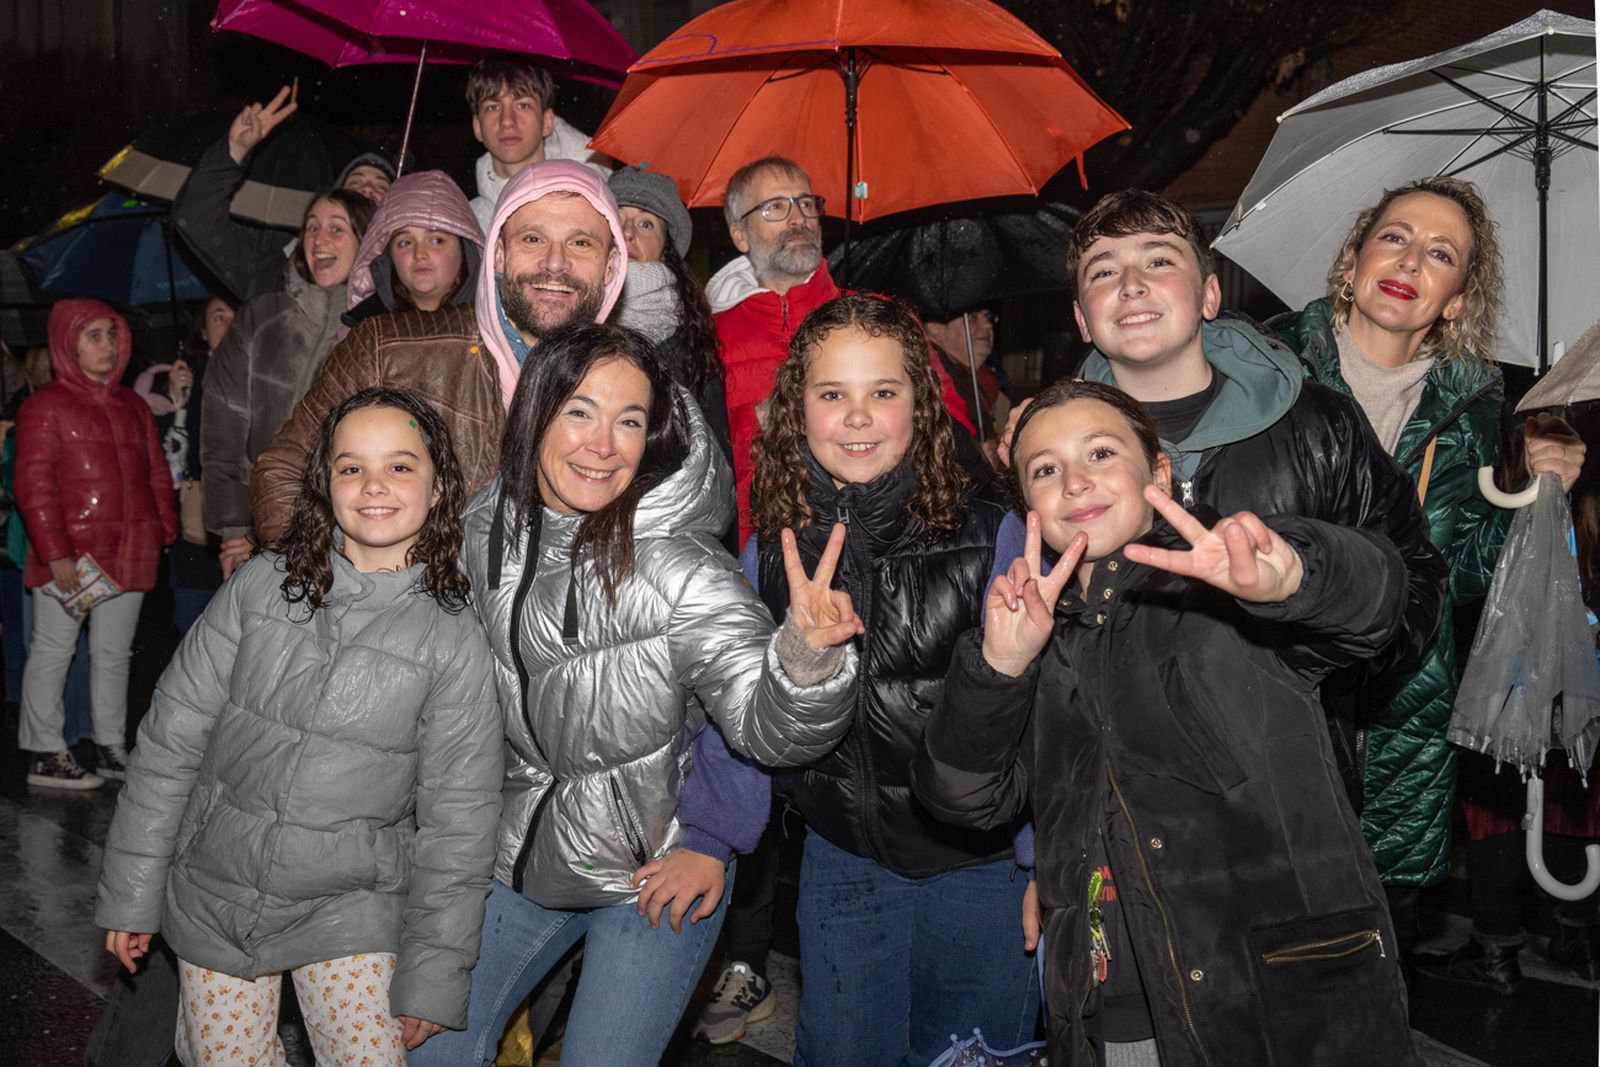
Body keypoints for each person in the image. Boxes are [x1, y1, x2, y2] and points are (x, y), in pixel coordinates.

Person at [914, 379, 1421, 1065]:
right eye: (1045, 469)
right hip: (1114, 1015)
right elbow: (960, 797)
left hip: (1284, 1007)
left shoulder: (1226, 587)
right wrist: (997, 668)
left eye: (1099, 453)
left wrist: (1294, 575)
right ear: (1026, 505)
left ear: (1158, 470)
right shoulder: (1034, 640)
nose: (1074, 482)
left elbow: (1378, 600)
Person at [411, 323, 862, 1066]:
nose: (604, 443)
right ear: (536, 415)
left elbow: (765, 728)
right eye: (581, 411)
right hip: (513, 852)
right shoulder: (483, 527)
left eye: (629, 421)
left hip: (652, 872)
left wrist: (805, 660)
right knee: (429, 1052)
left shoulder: (681, 567)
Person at [94, 387, 502, 1064]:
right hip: (215, 895)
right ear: (324, 483)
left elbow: (459, 824)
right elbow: (170, 744)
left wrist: (432, 974)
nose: (374, 485)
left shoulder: (453, 638)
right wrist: (133, 893)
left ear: (439, 489)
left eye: (401, 465)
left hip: (349, 909)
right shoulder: (259, 587)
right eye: (351, 466)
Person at [1267, 176, 1586, 963]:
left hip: (1405, 717)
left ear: (1455, 298)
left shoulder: (1472, 401)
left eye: (1440, 254)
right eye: (1395, 236)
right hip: (1276, 700)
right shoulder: (1267, 362)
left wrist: (1539, 494)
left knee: (1373, 962)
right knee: (1263, 950)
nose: (1411, 259)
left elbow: (1465, 578)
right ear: (1355, 257)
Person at [745, 294, 1037, 1065]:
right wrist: (714, 834)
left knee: (973, 1055)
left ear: (923, 405)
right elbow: (736, 716)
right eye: (831, 393)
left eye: (883, 392)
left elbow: (1043, 714)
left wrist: (1046, 859)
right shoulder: (771, 549)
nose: (858, 416)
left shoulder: (989, 531)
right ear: (795, 407)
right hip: (845, 856)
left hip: (984, 863)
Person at [247, 159, 625, 544]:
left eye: (580, 242)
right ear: (498, 253)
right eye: (532, 239)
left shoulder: (636, 390)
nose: (555, 263)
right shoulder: (385, 350)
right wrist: (337, 589)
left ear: (611, 264)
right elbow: (283, 471)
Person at [708, 156, 974, 544]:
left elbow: (949, 433)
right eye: (775, 207)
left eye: (805, 203)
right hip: (761, 558)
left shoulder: (886, 320)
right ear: (740, 235)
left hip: (889, 546)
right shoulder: (710, 338)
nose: (797, 218)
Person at [15, 300, 176, 788]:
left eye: (111, 334)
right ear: (68, 343)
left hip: (127, 550)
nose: (107, 346)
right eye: (94, 336)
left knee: (113, 653)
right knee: (54, 649)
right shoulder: (45, 405)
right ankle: (45, 751)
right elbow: (33, 484)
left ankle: (110, 746)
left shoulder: (132, 405)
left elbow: (155, 473)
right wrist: (55, 551)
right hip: (75, 558)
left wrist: (161, 527)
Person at [202, 188, 374, 578]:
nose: (319, 239)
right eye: (311, 227)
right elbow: (222, 423)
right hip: (261, 534)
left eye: (336, 228)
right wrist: (234, 529)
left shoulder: (378, 331)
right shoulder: (261, 317)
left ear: (366, 241)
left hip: (349, 539)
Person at [172, 84, 395, 303]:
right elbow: (195, 216)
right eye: (355, 184)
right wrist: (235, 150)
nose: (366, 190)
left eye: (380, 187)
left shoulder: (403, 282)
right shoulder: (276, 271)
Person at [608, 163, 732, 466]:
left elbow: (716, 459)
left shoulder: (691, 344)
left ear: (667, 249)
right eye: (617, 220)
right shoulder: (574, 321)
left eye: (646, 224)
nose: (627, 233)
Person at [133, 295, 235, 635]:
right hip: (196, 532)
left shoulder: (265, 377)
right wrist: (177, 402)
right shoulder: (186, 379)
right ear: (203, 332)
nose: (230, 324)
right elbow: (166, 458)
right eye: (219, 317)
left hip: (247, 528)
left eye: (238, 316)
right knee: (193, 633)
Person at [465, 53, 611, 234]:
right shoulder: (467, 224)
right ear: (477, 126)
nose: (507, 121)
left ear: (547, 121)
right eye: (493, 107)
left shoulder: (593, 204)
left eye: (522, 105)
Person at [341, 170, 485, 336]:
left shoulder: (500, 326)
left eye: (436, 240)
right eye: (405, 243)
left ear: (464, 249)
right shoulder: (360, 332)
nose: (419, 254)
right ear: (389, 258)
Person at [924, 306, 1011, 448]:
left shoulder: (985, 380)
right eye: (972, 318)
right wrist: (973, 456)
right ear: (935, 328)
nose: (988, 325)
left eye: (988, 317)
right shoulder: (931, 382)